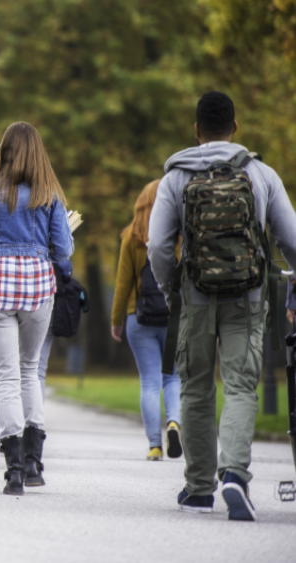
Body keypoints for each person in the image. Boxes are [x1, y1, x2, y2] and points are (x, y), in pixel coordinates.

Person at [148, 91, 296, 519]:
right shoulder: (262, 174)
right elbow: (290, 240)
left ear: (196, 131)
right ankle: (234, 475)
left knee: (195, 387)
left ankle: (198, 489)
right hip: (248, 297)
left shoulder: (174, 179)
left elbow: (157, 245)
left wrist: (168, 287)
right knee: (239, 386)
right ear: (235, 127)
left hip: (194, 295)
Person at [0, 122, 73, 496]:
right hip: (38, 286)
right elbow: (64, 249)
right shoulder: (49, 193)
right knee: (29, 371)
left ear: (3, 149)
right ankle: (34, 461)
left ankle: (12, 470)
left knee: (7, 375)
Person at [111, 179, 182, 462]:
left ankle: (154, 445)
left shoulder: (131, 237)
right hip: (173, 315)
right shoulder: (178, 235)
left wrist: (116, 321)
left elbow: (122, 284)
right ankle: (174, 421)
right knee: (173, 376)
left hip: (137, 317)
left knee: (149, 382)